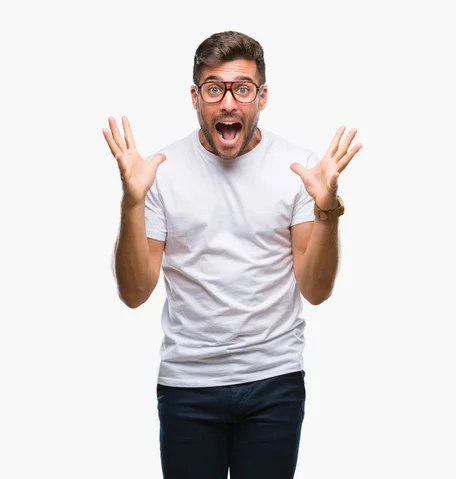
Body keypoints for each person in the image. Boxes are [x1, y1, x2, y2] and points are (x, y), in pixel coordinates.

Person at [102, 30, 361, 479]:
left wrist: (328, 211)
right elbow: (133, 293)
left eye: (242, 89)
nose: (228, 103)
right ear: (195, 96)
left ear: (261, 97)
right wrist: (131, 203)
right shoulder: (160, 171)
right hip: (188, 385)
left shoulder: (298, 168)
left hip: (274, 380)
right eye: (214, 88)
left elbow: (316, 291)